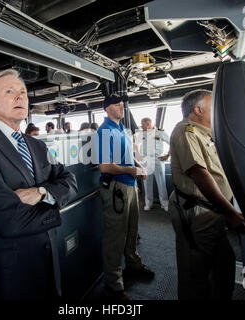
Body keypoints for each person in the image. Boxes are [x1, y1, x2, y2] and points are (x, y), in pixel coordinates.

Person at [0, 69, 78, 300]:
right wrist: (54, 209)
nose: (20, 97)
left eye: (23, 92)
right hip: (9, 273)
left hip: (48, 261)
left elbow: (70, 181)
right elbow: (6, 220)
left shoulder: (38, 146)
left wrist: (41, 192)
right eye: (10, 91)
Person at [168, 89, 245, 300]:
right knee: (195, 271)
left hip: (213, 210)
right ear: (198, 110)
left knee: (223, 263)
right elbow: (199, 173)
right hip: (199, 211)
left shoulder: (205, 134)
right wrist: (230, 212)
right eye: (212, 107)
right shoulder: (186, 132)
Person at [97, 93, 155, 300]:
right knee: (115, 236)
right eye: (117, 105)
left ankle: (133, 264)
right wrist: (130, 171)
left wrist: (138, 166)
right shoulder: (105, 131)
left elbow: (129, 156)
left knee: (132, 229)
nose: (122, 107)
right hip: (116, 188)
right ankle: (113, 284)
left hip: (130, 185)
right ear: (107, 109)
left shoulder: (123, 129)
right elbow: (104, 166)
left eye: (122, 104)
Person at [134, 117, 170, 211]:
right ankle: (148, 204)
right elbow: (135, 144)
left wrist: (167, 155)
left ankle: (165, 204)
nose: (141, 127)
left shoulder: (160, 132)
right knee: (147, 183)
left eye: (143, 125)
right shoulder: (142, 133)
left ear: (148, 124)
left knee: (161, 183)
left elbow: (171, 142)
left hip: (158, 160)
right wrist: (138, 154)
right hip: (146, 161)